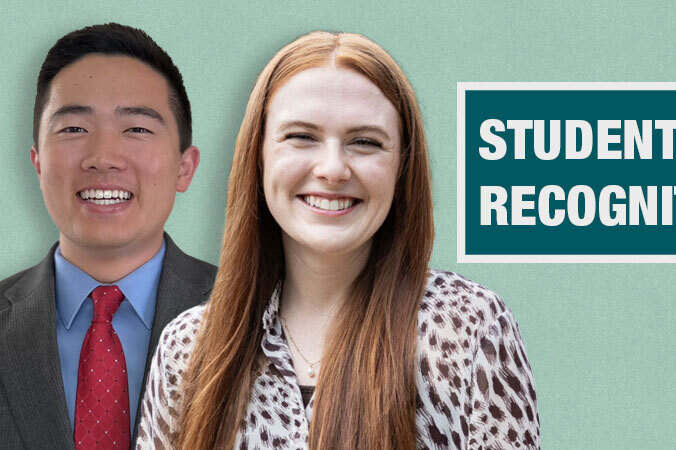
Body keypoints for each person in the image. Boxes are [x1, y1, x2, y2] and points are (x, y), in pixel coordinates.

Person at [137, 31, 540, 449]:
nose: (332, 169)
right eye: (301, 136)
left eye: (365, 142)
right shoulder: (188, 348)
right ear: (257, 157)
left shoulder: (467, 330)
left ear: (401, 168)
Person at [0, 23, 216, 450]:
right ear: (38, 163)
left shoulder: (259, 318)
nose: (103, 158)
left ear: (184, 168)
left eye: (136, 128)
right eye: (74, 129)